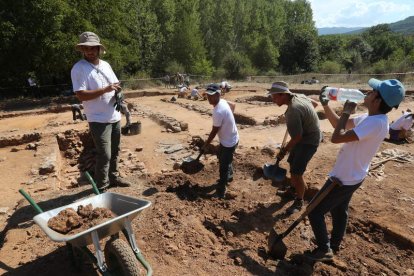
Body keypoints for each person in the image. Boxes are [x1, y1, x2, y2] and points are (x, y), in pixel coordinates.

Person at [305, 79, 405, 262]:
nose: (368, 92)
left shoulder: (376, 123)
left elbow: (336, 138)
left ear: (377, 100)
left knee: (314, 211)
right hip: (352, 175)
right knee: (339, 209)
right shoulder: (371, 118)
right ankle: (334, 244)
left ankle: (324, 250)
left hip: (343, 178)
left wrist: (346, 111)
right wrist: (326, 106)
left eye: (373, 91)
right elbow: (339, 125)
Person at [71, 31, 131, 190]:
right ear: (82, 50)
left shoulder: (106, 65)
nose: (89, 51)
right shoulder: (79, 68)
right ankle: (102, 186)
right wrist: (105, 90)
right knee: (104, 154)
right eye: (86, 48)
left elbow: (115, 83)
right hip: (98, 118)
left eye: (93, 48)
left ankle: (114, 178)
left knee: (115, 151)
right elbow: (81, 95)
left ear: (99, 49)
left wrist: (118, 92)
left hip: (114, 115)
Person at [267, 81, 321, 215]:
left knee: (297, 173)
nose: (273, 100)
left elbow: (297, 137)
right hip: (305, 136)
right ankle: (293, 189)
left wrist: (284, 150)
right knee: (292, 163)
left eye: (274, 97)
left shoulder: (292, 111)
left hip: (308, 141)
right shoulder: (300, 96)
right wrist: (304, 118)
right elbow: (314, 104)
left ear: (283, 95)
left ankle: (299, 200)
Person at [202, 83, 239, 199]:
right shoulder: (222, 102)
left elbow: (214, 131)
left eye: (211, 96)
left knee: (223, 166)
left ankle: (221, 191)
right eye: (208, 95)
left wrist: (206, 144)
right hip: (232, 137)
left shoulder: (218, 111)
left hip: (229, 142)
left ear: (218, 94)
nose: (209, 98)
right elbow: (233, 105)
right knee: (221, 156)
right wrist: (229, 120)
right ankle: (230, 175)